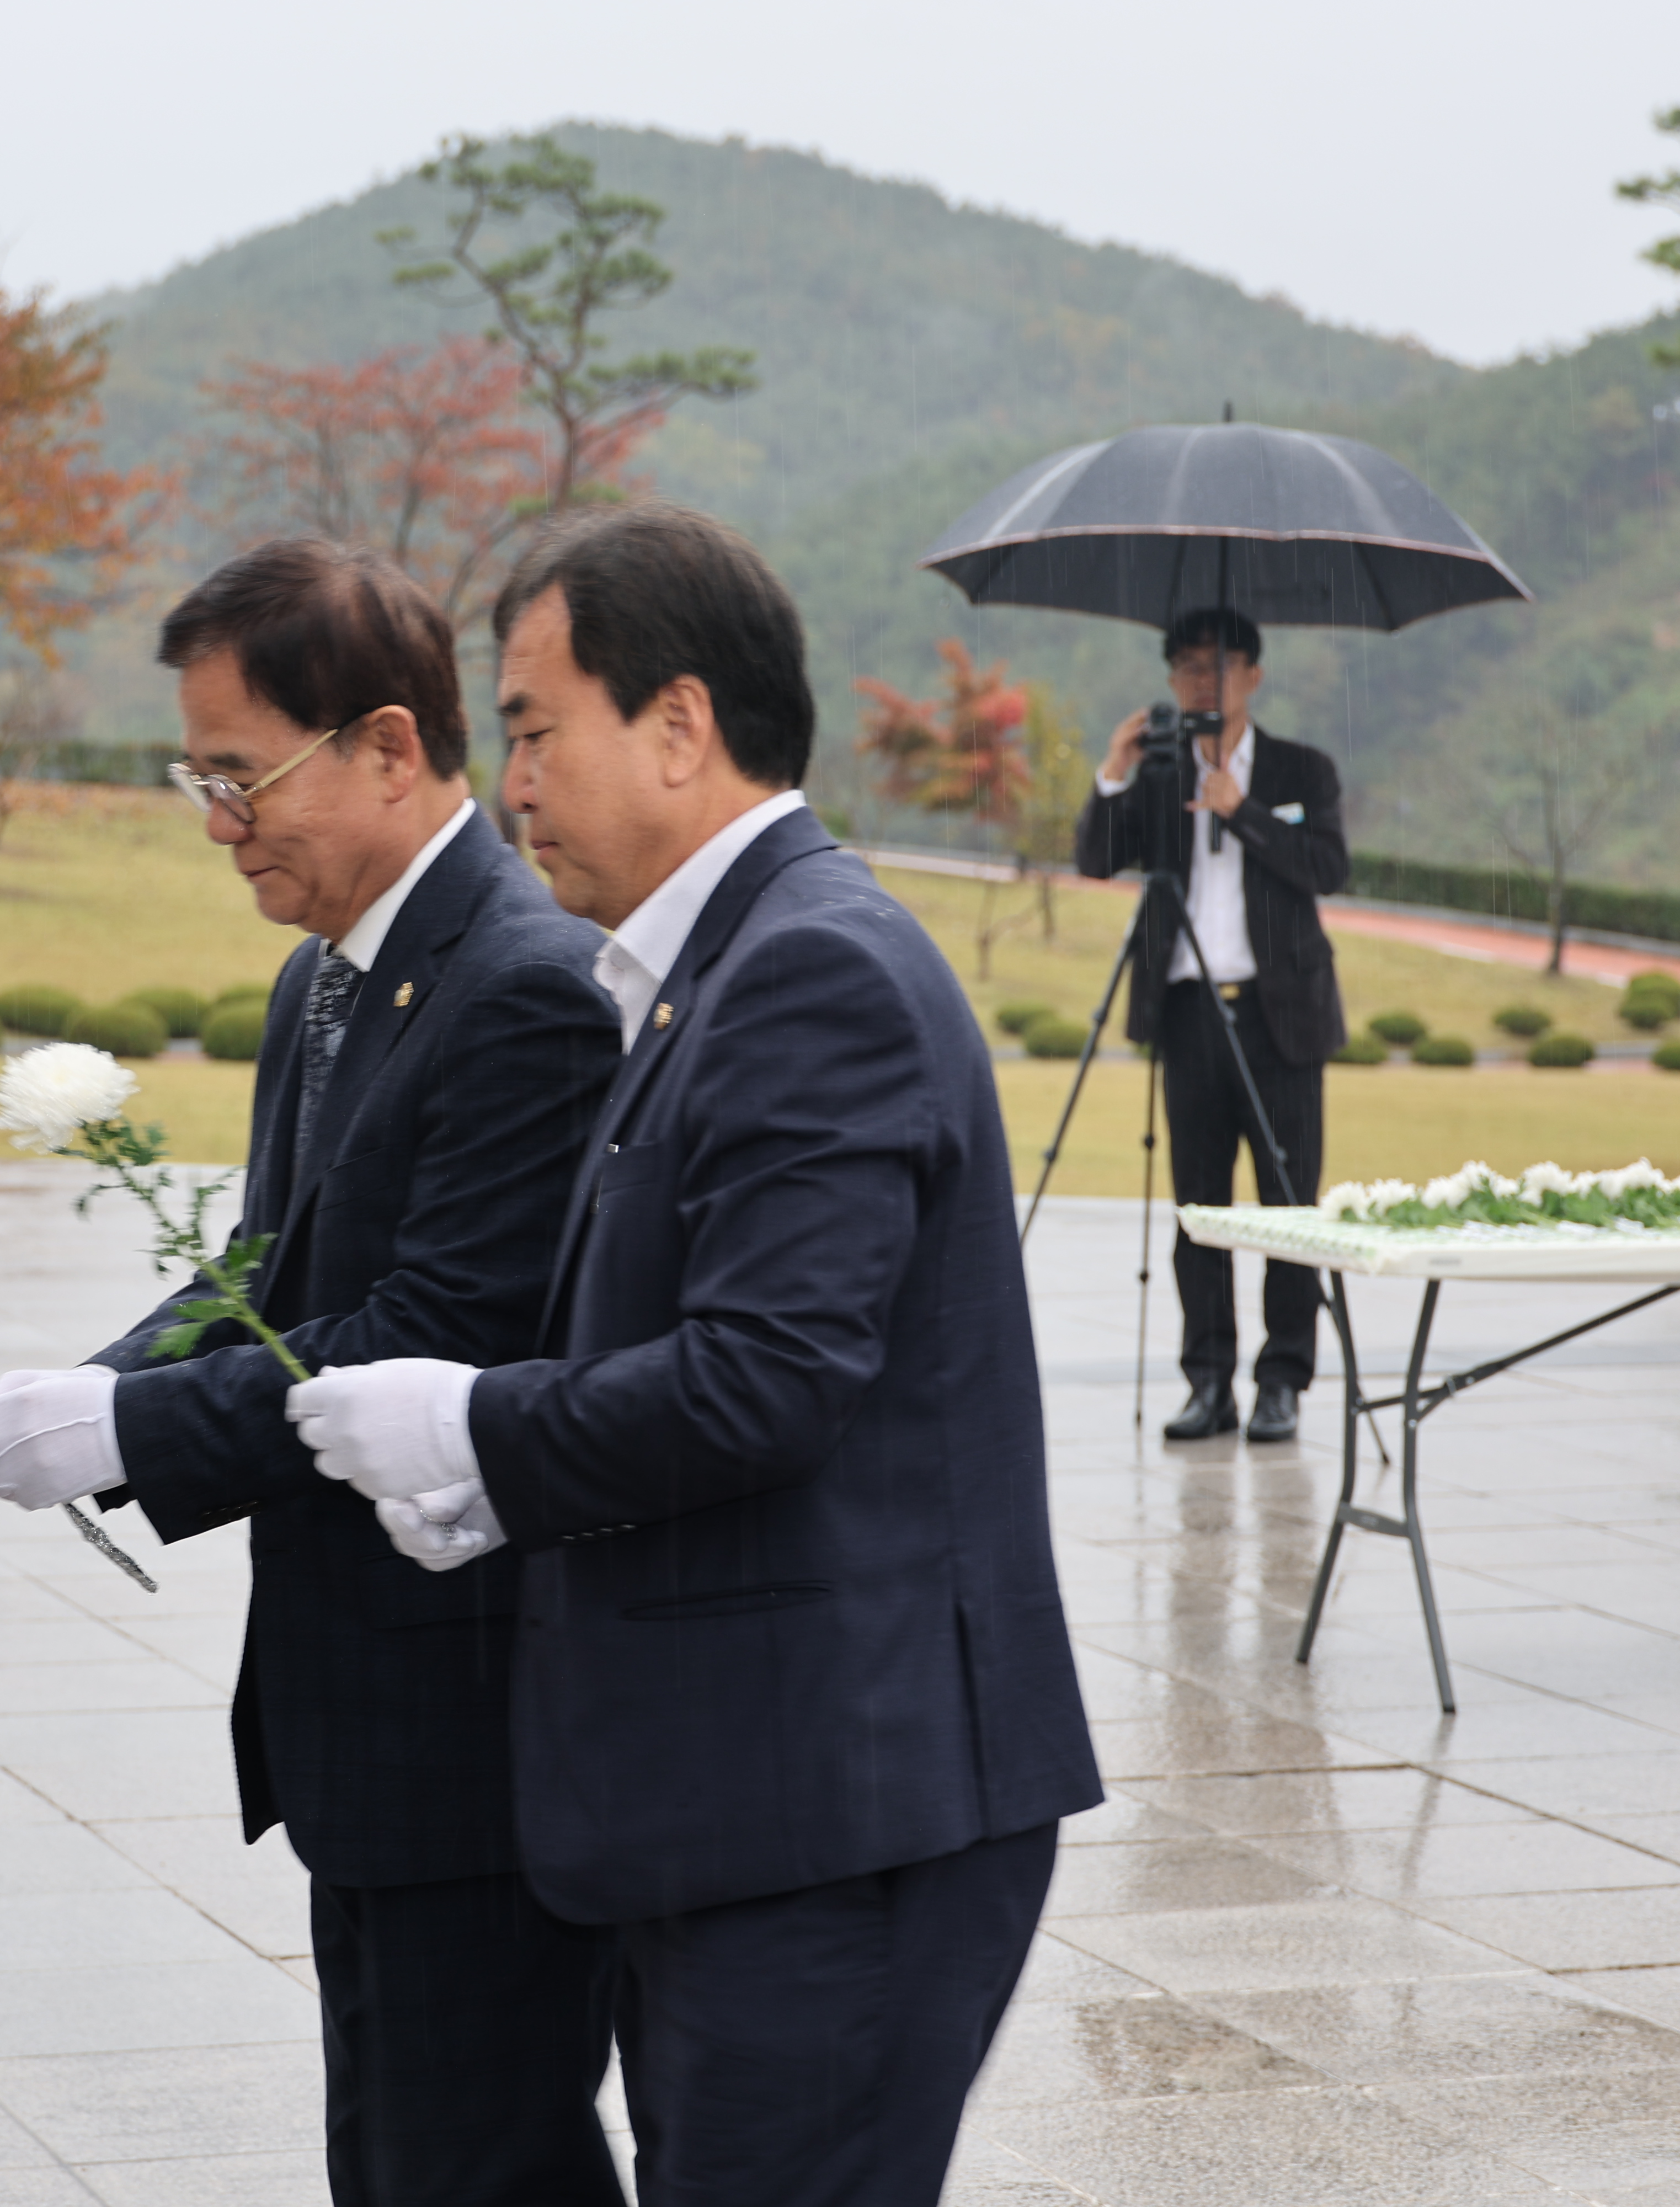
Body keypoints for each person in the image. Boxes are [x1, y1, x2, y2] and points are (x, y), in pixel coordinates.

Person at [284, 501, 1101, 2207]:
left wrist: (475, 1430)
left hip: (837, 1815)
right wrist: (500, 1496)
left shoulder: (809, 968)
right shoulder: (694, 971)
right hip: (746, 1805)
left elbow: (765, 1379)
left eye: (530, 730)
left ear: (678, 725)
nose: (508, 786)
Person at [0, 538, 628, 2206]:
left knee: (478, 2160)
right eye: (201, 778)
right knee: (398, 2155)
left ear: (391, 749)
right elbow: (270, 1268)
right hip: (361, 1712)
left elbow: (427, 1333)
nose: (218, 822)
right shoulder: (327, 972)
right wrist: (100, 1383)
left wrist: (139, 1425)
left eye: (245, 776)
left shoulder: (523, 987)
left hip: (473, 1722)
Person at [1073, 607, 1351, 1444]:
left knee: (1289, 1210)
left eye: (1222, 664)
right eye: (1189, 665)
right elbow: (1094, 859)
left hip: (1283, 1021)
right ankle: (1207, 1382)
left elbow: (1328, 867)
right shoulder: (1159, 772)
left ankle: (1283, 1383)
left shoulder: (1302, 769)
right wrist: (1116, 775)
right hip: (1188, 1013)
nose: (1206, 679)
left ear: (1254, 676)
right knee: (1200, 1211)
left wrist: (1243, 811)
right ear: (1171, 679)